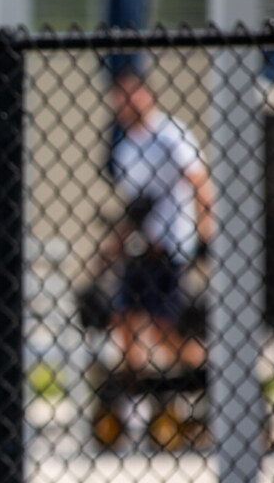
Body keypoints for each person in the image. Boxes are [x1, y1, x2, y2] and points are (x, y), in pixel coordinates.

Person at [90, 68, 216, 377]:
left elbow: (199, 181)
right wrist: (110, 251)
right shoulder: (125, 149)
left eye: (131, 95)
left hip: (171, 246)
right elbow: (135, 209)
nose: (124, 104)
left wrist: (205, 232)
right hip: (141, 248)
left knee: (165, 330)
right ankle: (136, 401)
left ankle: (211, 375)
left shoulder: (170, 135)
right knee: (123, 321)